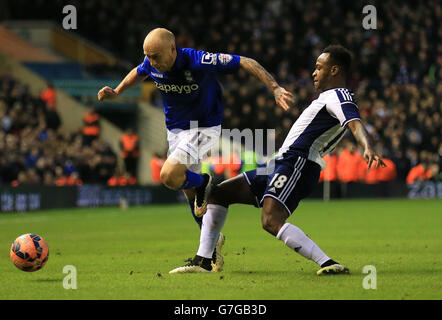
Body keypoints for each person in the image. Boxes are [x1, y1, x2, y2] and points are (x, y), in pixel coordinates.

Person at [169, 45, 386, 275]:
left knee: (271, 220)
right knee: (218, 194)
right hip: (280, 162)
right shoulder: (326, 98)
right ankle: (204, 260)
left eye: (319, 67)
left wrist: (367, 145)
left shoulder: (339, 95)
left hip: (298, 163)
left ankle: (328, 263)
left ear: (334, 70)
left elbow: (353, 121)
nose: (314, 72)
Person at [97, 28, 294, 271]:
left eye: (156, 56)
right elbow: (138, 72)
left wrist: (274, 87)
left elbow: (246, 61)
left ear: (173, 49)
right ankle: (208, 253)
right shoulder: (151, 63)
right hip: (176, 132)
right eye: (148, 56)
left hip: (203, 127)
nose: (152, 61)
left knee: (169, 175)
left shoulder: (198, 60)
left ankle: (203, 182)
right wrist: (117, 91)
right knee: (187, 193)